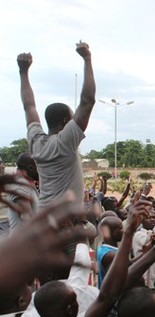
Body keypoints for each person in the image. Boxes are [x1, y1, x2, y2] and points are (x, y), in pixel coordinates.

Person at [13, 197, 151, 317]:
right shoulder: (76, 304)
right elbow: (107, 296)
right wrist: (134, 237)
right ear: (71, 309)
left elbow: (82, 254)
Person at [17, 41, 95, 208]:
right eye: (73, 118)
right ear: (66, 122)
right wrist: (87, 59)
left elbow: (29, 106)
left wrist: (23, 72)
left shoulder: (36, 142)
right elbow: (88, 101)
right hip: (64, 222)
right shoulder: (65, 142)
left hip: (44, 216)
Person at [6, 153, 39, 231]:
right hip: (24, 241)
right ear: (30, 167)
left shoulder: (25, 183)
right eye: (38, 167)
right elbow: (28, 219)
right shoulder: (19, 186)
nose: (40, 170)